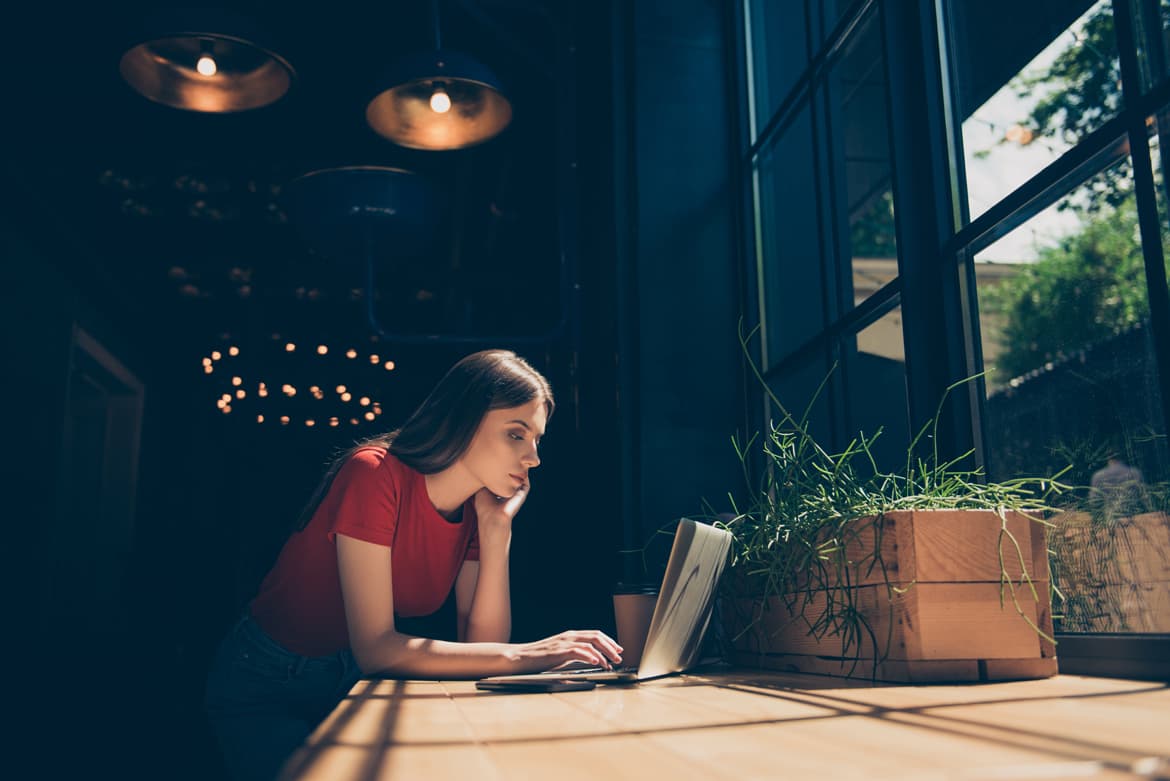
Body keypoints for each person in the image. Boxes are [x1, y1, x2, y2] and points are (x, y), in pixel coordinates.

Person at [205, 349, 623, 781]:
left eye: (537, 440)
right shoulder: (373, 473)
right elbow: (377, 648)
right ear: (463, 419)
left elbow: (480, 642)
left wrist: (497, 532)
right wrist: (529, 654)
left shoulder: (477, 510)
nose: (533, 458)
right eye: (516, 435)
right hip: (268, 679)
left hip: (351, 682)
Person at [1089, 451, 1149, 523]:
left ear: (1107, 458)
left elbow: (1094, 502)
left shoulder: (1098, 476)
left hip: (1111, 520)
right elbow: (1145, 498)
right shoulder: (1135, 473)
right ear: (1123, 457)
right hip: (1134, 518)